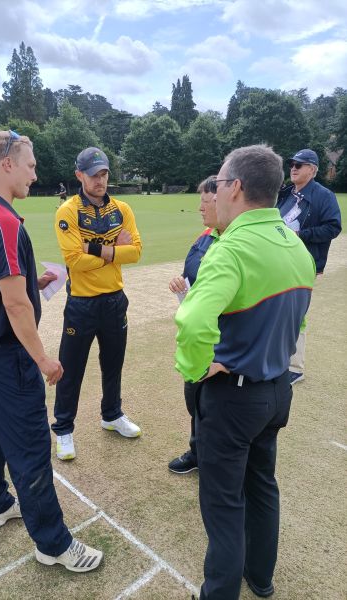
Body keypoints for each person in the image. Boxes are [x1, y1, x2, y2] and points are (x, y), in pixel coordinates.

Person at [175, 144, 315, 600]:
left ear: (235, 188)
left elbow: (193, 322)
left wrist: (197, 370)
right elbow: (299, 320)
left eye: (215, 184)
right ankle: (261, 577)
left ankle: (219, 592)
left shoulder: (230, 247)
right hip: (276, 391)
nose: (212, 194)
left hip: (234, 396)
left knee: (222, 503)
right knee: (262, 486)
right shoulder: (295, 244)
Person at [0, 130, 102, 573]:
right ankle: (54, 543)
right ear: (6, 164)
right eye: (30, 164)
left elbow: (0, 285)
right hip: (8, 356)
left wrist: (33, 282)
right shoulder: (3, 220)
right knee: (29, 445)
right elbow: (13, 303)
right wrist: (43, 358)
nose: (36, 173)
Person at [52, 146, 142, 460]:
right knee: (71, 368)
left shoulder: (122, 209)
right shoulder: (67, 211)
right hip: (82, 304)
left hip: (115, 301)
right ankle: (63, 428)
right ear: (80, 176)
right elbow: (74, 261)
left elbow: (137, 251)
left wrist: (96, 250)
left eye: (104, 173)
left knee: (113, 363)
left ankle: (112, 415)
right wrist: (114, 253)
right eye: (94, 175)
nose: (100, 180)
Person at [168, 175, 220, 475]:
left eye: (206, 202)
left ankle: (213, 458)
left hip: (220, 338)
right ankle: (198, 450)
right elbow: (194, 279)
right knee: (195, 399)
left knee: (215, 405)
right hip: (197, 336)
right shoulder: (203, 238)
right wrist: (182, 287)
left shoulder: (232, 244)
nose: (200, 208)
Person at [277, 148, 342, 384]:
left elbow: (333, 227)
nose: (293, 168)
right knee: (276, 309)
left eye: (300, 165)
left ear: (312, 170)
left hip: (302, 263)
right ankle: (277, 358)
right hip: (278, 261)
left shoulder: (324, 196)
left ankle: (295, 367)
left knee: (295, 312)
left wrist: (300, 235)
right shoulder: (285, 192)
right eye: (292, 163)